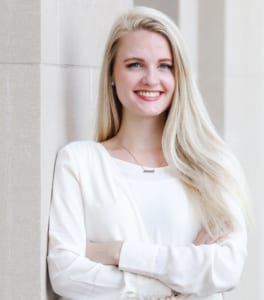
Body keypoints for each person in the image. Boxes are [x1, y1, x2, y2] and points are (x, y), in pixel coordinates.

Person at [47, 6, 250, 300]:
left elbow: (225, 270)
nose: (151, 79)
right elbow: (66, 275)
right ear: (112, 75)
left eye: (165, 66)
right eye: (135, 65)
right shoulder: (79, 163)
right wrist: (171, 283)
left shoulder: (211, 166)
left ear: (178, 76)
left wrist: (118, 252)